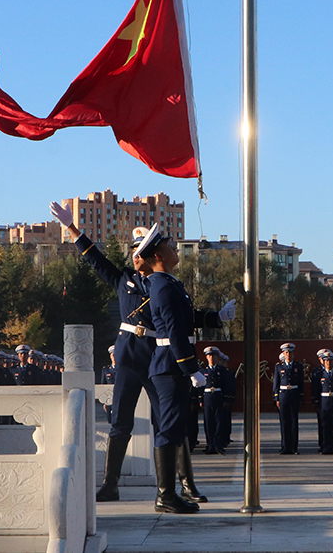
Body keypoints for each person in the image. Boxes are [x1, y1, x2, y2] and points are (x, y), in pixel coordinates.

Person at [50, 201, 234, 505]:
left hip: (159, 353)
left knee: (169, 422)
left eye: (140, 251)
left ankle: (186, 484)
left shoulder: (162, 282)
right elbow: (94, 258)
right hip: (131, 355)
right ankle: (111, 484)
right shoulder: (126, 280)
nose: (137, 257)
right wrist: (72, 228)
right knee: (121, 421)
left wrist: (217, 318)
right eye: (135, 251)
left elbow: (180, 319)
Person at [139, 224, 205, 514]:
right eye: (168, 244)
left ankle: (170, 493)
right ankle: (165, 497)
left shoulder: (169, 283)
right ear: (158, 254)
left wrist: (217, 317)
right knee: (168, 430)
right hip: (170, 366)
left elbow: (185, 319)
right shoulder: (162, 285)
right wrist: (191, 368)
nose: (174, 247)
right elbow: (175, 332)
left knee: (176, 429)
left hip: (171, 365)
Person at [273, 343, 303, 454]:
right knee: (284, 422)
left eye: (290, 352)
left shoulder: (298, 366)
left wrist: (301, 397)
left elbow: (301, 384)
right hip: (283, 395)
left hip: (294, 394)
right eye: (286, 353)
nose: (288, 355)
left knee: (294, 422)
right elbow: (276, 384)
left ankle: (294, 447)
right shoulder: (279, 367)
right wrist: (276, 398)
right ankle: (285, 446)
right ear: (283, 354)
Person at [312, 350, 333, 455]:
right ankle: (326, 447)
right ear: (323, 362)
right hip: (324, 403)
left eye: (330, 361)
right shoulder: (319, 374)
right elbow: (316, 390)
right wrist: (316, 403)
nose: (328, 363)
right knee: (325, 426)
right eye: (326, 361)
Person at [201, 346, 226, 454]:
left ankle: (217, 445)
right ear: (206, 357)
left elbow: (226, 385)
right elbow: (200, 387)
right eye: (209, 356)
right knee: (208, 423)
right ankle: (210, 445)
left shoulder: (222, 370)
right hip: (207, 398)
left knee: (218, 422)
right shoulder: (203, 371)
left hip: (218, 397)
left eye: (213, 356)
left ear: (217, 357)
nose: (211, 358)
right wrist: (200, 399)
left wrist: (226, 399)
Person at [101, 345, 117, 423]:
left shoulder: (122, 369)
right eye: (112, 355)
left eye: (115, 355)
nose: (114, 357)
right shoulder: (106, 370)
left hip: (120, 398)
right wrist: (104, 402)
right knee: (110, 421)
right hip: (109, 399)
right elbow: (103, 385)